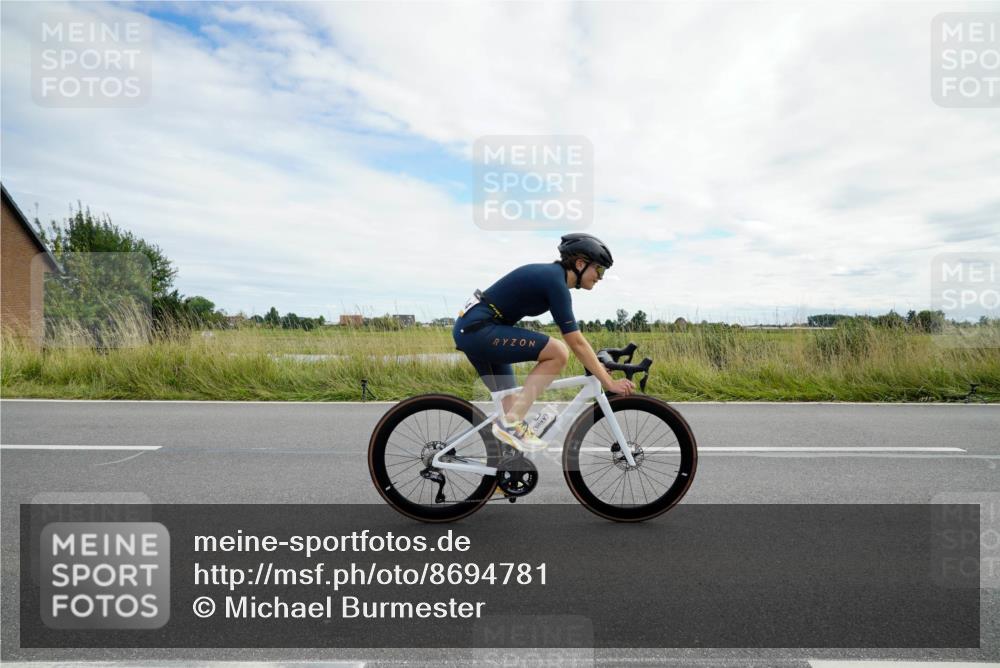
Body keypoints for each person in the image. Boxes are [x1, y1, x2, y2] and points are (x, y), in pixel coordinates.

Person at [452, 233, 635, 452]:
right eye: (600, 269)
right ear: (580, 264)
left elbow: (578, 342)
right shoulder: (555, 282)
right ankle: (510, 425)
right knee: (558, 352)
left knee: (511, 412)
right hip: (479, 329)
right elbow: (575, 341)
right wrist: (608, 382)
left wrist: (598, 368)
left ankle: (504, 473)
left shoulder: (553, 278)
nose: (600, 277)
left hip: (475, 329)